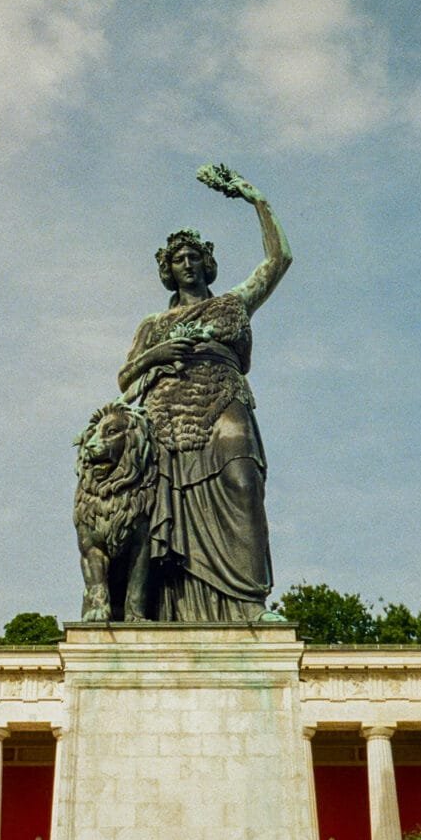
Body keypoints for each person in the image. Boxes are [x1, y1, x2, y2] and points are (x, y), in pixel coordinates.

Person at [117, 169, 292, 620]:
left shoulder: (232, 303)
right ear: (168, 269)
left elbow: (279, 259)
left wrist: (256, 199)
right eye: (179, 259)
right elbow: (125, 380)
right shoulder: (154, 324)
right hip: (168, 415)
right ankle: (170, 610)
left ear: (206, 262)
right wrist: (157, 354)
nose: (188, 265)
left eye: (194, 256)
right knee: (167, 509)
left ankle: (249, 602)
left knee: (243, 482)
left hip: (223, 395)